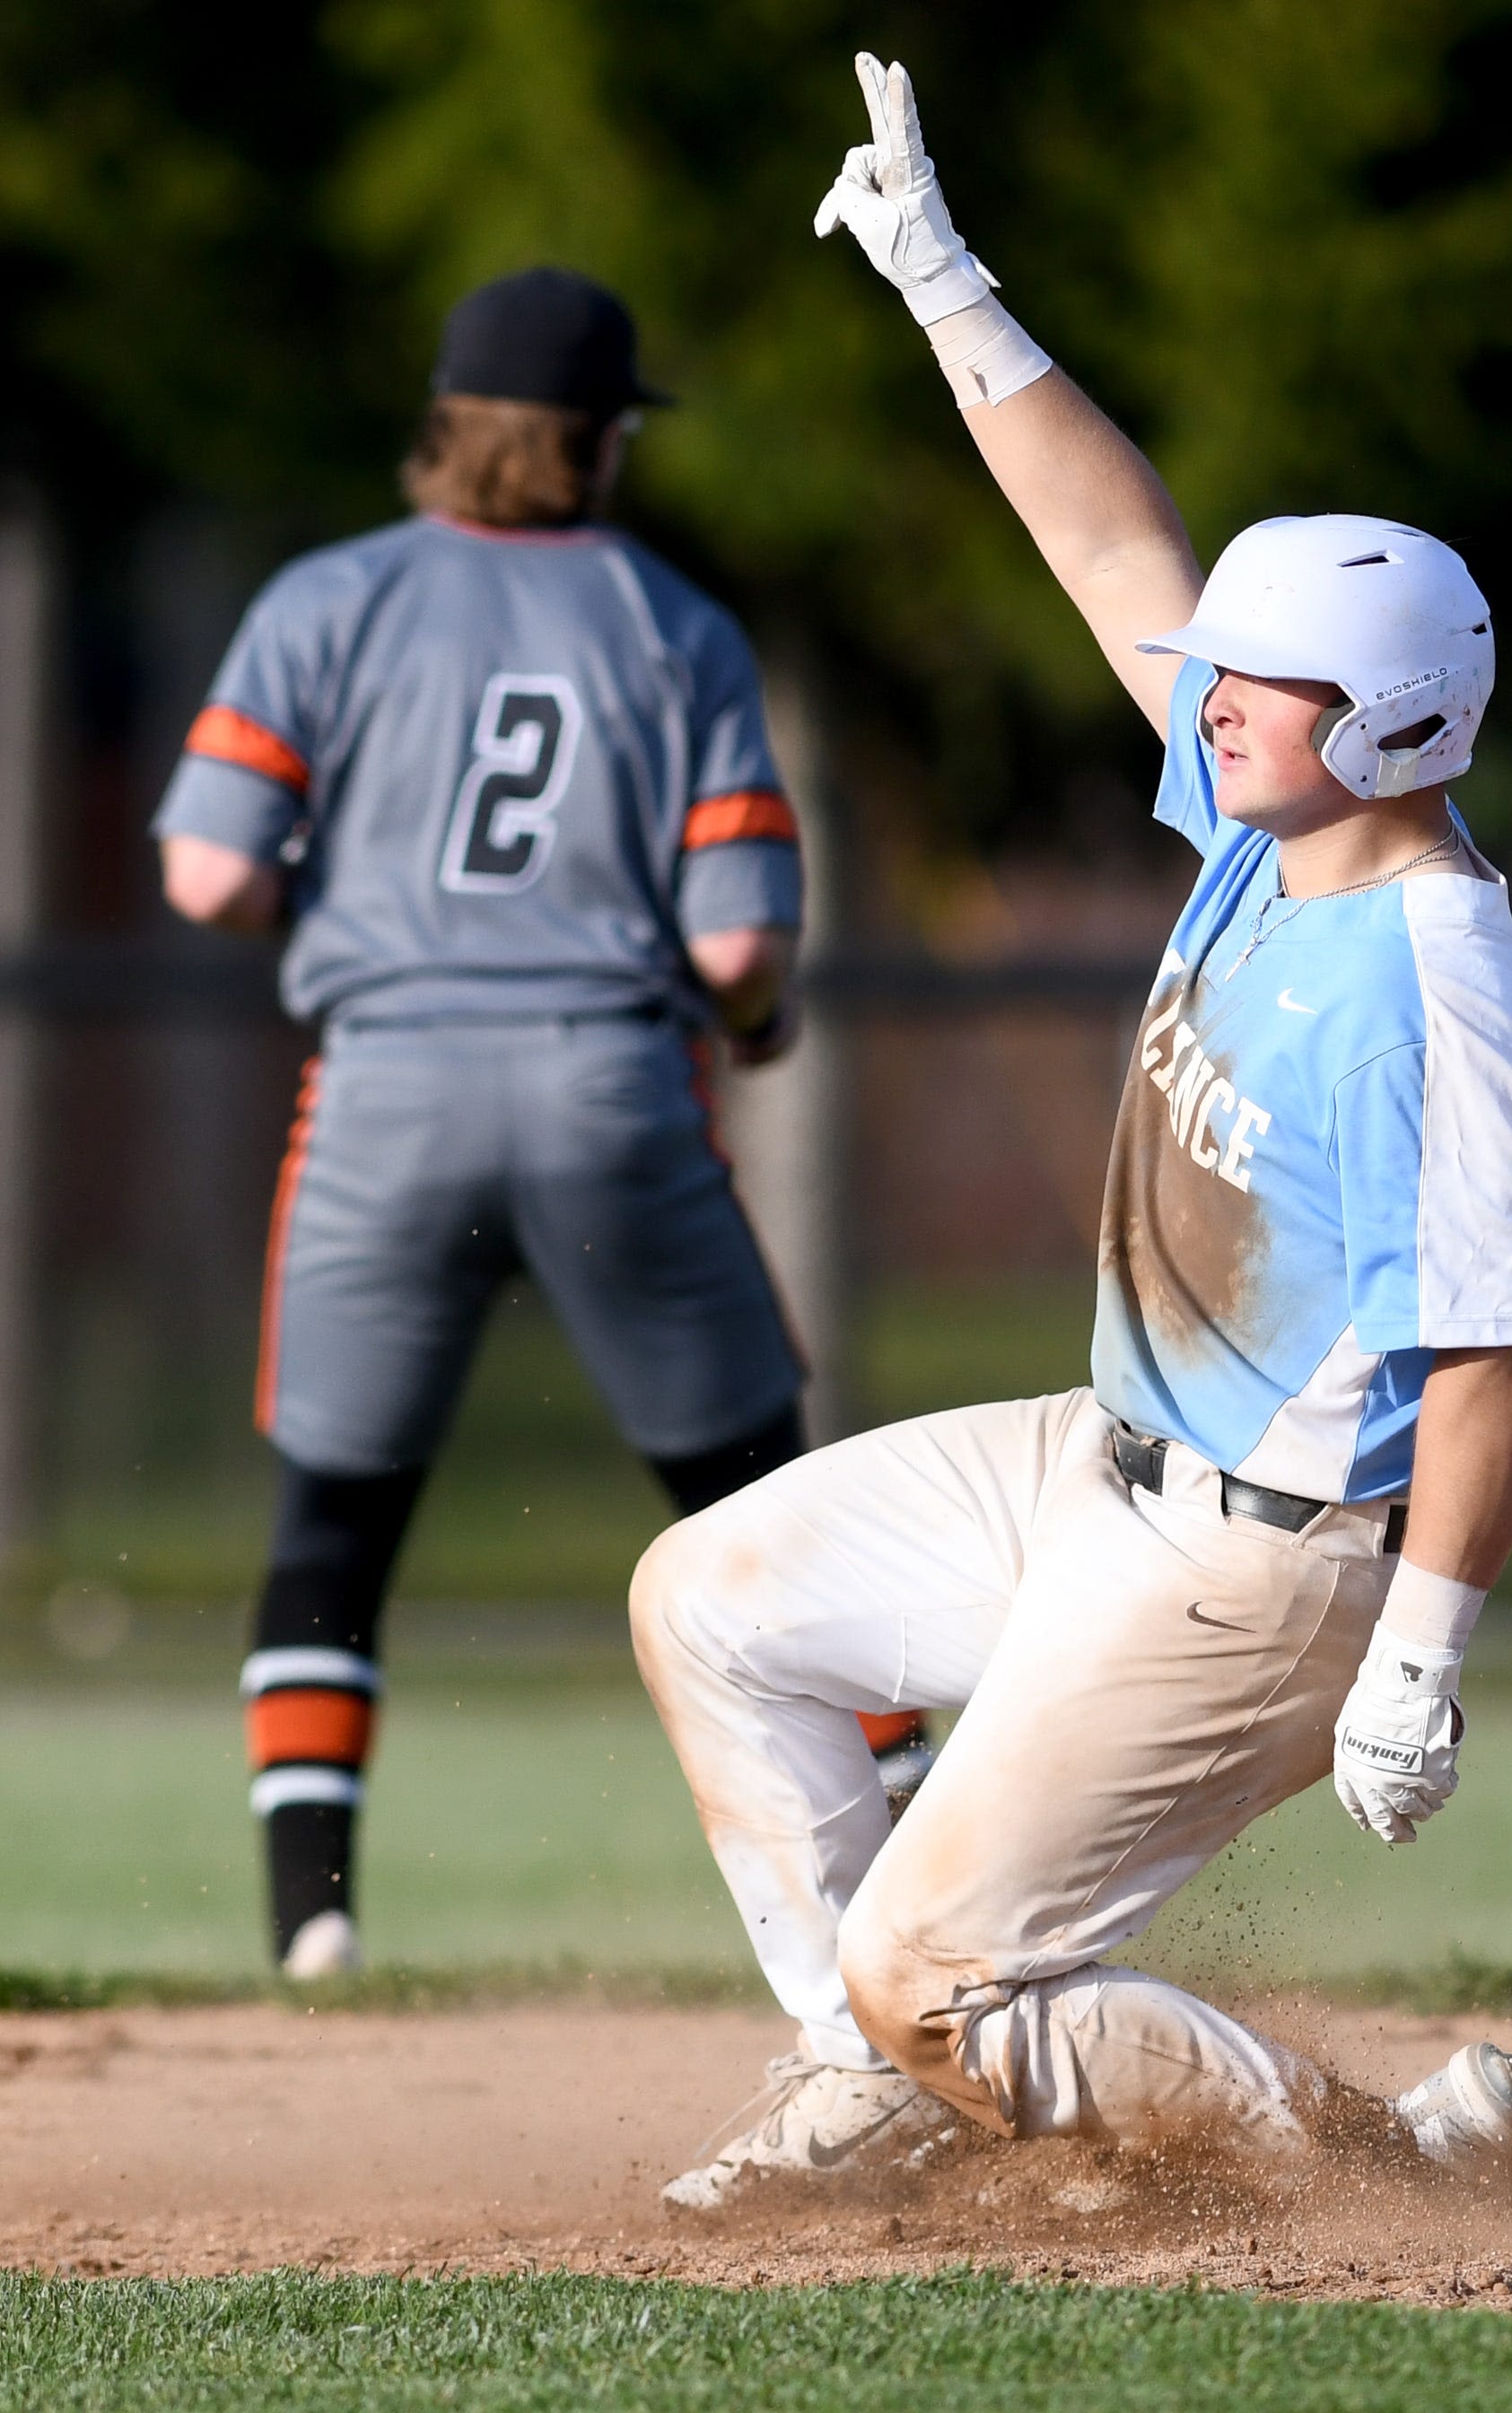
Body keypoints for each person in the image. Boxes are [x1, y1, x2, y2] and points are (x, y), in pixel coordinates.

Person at [634, 51, 1512, 2210]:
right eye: (1226, 676)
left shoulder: (1439, 976)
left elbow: (1503, 1355)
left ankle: (1408, 2163)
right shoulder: (1273, 833)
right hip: (1105, 1464)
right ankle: (869, 2062)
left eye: (1269, 681)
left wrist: (1420, 1660)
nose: (1216, 694)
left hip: (1267, 1563)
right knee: (710, 1603)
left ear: (1404, 720)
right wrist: (950, 282)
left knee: (953, 1980)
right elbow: (1109, 538)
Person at [153, 267, 835, 1979]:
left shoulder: (329, 599)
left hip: (384, 1085)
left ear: (442, 426)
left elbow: (210, 866)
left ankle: (313, 1922)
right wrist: (757, 1028)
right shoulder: (672, 623)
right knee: (771, 1514)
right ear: (605, 446)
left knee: (337, 1514)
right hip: (611, 1083)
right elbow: (738, 939)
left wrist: (334, 927)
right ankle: (892, 1914)